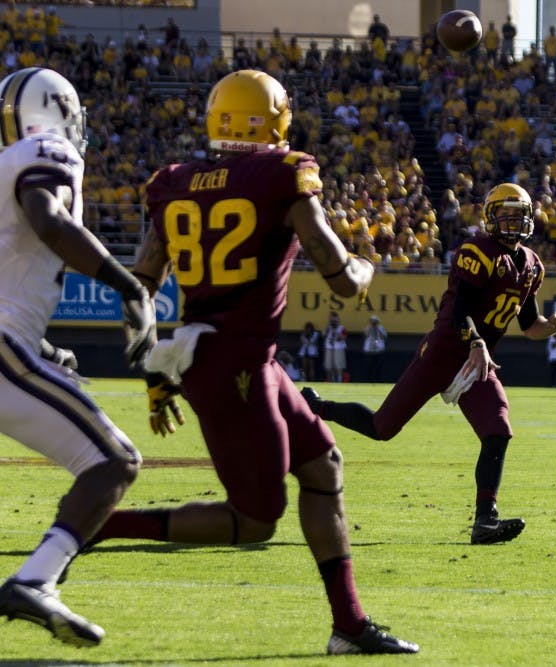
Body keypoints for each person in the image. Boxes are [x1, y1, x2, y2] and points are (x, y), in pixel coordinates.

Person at [78, 71, 417, 655]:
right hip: (235, 364)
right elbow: (337, 275)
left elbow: (141, 284)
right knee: (254, 522)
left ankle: (350, 626)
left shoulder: (176, 182)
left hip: (228, 357)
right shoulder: (282, 175)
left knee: (325, 468)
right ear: (278, 119)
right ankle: (101, 525)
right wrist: (365, 270)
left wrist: (154, 368)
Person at [303, 183, 556, 545]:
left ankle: (485, 520)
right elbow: (460, 311)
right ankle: (317, 407)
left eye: (518, 215)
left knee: (498, 429)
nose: (513, 223)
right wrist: (476, 342)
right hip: (446, 352)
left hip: (478, 359)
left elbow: (529, 327)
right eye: (506, 215)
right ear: (491, 218)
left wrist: (551, 327)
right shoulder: (478, 251)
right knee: (382, 427)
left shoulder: (531, 266)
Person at [0, 67, 157, 647]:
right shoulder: (48, 150)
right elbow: (49, 218)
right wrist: (128, 285)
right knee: (114, 461)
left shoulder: (5, 163)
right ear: (60, 108)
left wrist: (43, 349)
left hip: (13, 342)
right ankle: (34, 579)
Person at [323, 312, 348, 383]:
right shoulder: (328, 328)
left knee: (339, 365)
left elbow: (343, 338)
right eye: (332, 321)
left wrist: (336, 332)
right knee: (329, 365)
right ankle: (331, 380)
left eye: (335, 321)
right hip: (329, 348)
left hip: (338, 348)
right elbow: (324, 335)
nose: (333, 322)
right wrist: (329, 329)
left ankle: (339, 380)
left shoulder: (342, 328)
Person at [362, 315, 388, 381]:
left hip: (379, 350)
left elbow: (384, 336)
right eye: (372, 321)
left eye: (375, 321)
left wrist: (377, 328)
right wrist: (371, 327)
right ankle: (368, 380)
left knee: (378, 367)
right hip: (369, 351)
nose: (374, 323)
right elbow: (366, 334)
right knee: (369, 367)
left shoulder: (380, 328)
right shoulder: (368, 328)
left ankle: (378, 380)